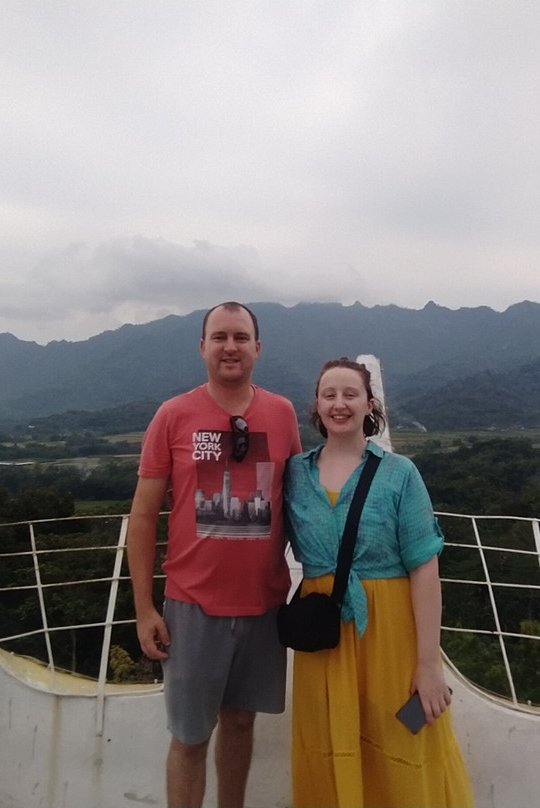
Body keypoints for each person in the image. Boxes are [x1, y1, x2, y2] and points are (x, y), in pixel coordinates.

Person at [126, 301, 302, 808]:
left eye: (241, 337)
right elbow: (142, 516)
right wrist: (144, 608)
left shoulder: (283, 413)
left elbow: (298, 500)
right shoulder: (174, 415)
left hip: (264, 604)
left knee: (241, 722)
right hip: (192, 605)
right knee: (189, 738)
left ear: (257, 348)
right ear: (202, 347)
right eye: (220, 337)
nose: (231, 347)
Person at [284, 357, 474, 807]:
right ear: (316, 405)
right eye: (329, 394)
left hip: (389, 634)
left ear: (369, 404)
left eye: (350, 394)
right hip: (324, 636)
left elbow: (424, 568)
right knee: (328, 743)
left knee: (401, 735)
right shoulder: (295, 474)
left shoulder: (399, 474)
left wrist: (428, 664)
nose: (339, 403)